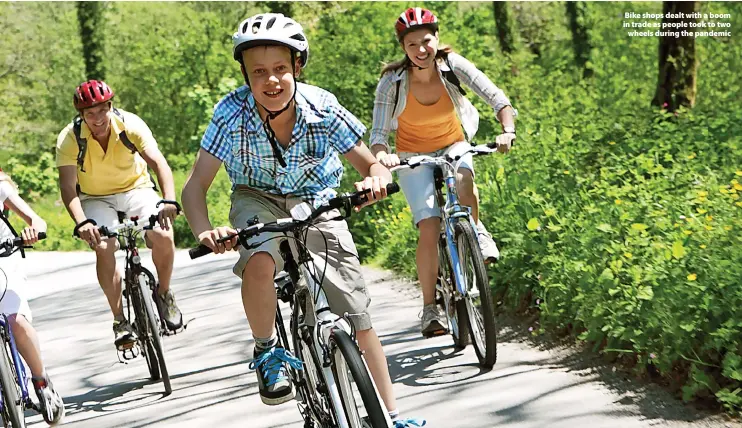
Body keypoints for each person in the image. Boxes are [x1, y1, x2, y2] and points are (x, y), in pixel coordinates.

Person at [182, 13, 425, 427]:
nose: (271, 80)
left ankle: (392, 415)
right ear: (245, 75)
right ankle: (267, 350)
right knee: (259, 260)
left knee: (357, 314)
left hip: (316, 201)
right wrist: (206, 231)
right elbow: (195, 187)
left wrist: (376, 181)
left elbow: (369, 163)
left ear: (297, 67)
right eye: (259, 72)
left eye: (280, 69)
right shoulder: (230, 112)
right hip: (255, 198)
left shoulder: (322, 106)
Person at [370, 7, 518, 337]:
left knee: (465, 182)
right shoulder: (391, 82)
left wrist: (507, 131)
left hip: (452, 142)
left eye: (426, 41)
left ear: (437, 37)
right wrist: (384, 159)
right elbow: (378, 135)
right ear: (403, 48)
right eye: (412, 45)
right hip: (411, 154)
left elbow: (497, 99)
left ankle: (476, 231)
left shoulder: (452, 65)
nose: (421, 50)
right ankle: (430, 308)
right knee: (429, 223)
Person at [55, 80, 183, 350]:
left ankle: (164, 293)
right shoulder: (70, 138)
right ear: (81, 116)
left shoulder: (130, 125)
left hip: (136, 189)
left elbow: (159, 163)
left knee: (162, 233)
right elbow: (67, 187)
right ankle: (120, 320)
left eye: (102, 110)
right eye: (90, 114)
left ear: (110, 106)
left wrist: (168, 201)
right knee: (104, 245)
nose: (97, 118)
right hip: (95, 197)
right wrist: (82, 222)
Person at [0, 171, 65, 425]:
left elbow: (36, 220)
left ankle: (41, 383)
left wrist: (33, 230)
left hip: (4, 258)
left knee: (15, 321)